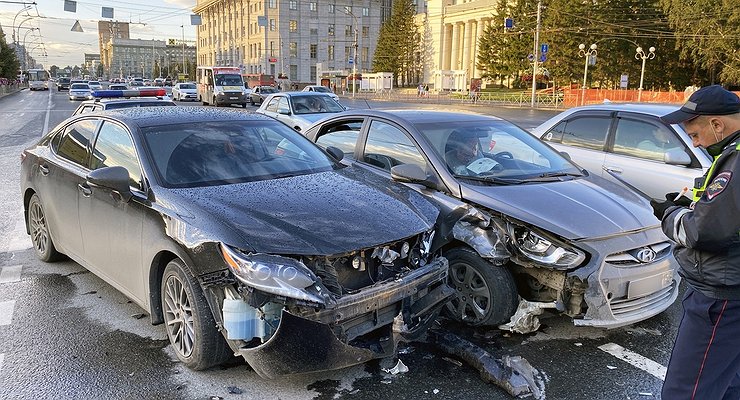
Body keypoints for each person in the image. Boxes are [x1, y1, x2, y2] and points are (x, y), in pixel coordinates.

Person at [650, 85, 740, 400]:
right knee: (726, 383)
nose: (695, 141)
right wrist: (691, 207)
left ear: (717, 125)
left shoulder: (736, 162)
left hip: (720, 298)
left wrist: (670, 214)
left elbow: (705, 234)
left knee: (686, 391)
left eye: (695, 133)